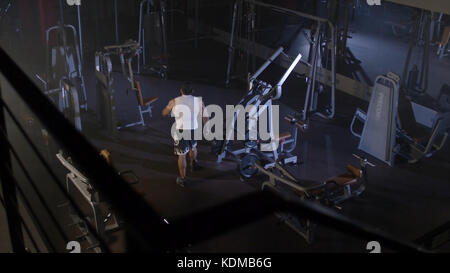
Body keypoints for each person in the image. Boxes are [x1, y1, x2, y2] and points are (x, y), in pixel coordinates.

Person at [162, 82, 208, 187]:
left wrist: (170, 110)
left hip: (181, 130)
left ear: (181, 91)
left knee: (182, 155)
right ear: (192, 91)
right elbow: (205, 117)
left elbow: (164, 113)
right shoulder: (198, 101)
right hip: (193, 129)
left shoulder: (174, 101)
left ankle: (183, 179)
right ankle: (194, 164)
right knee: (193, 147)